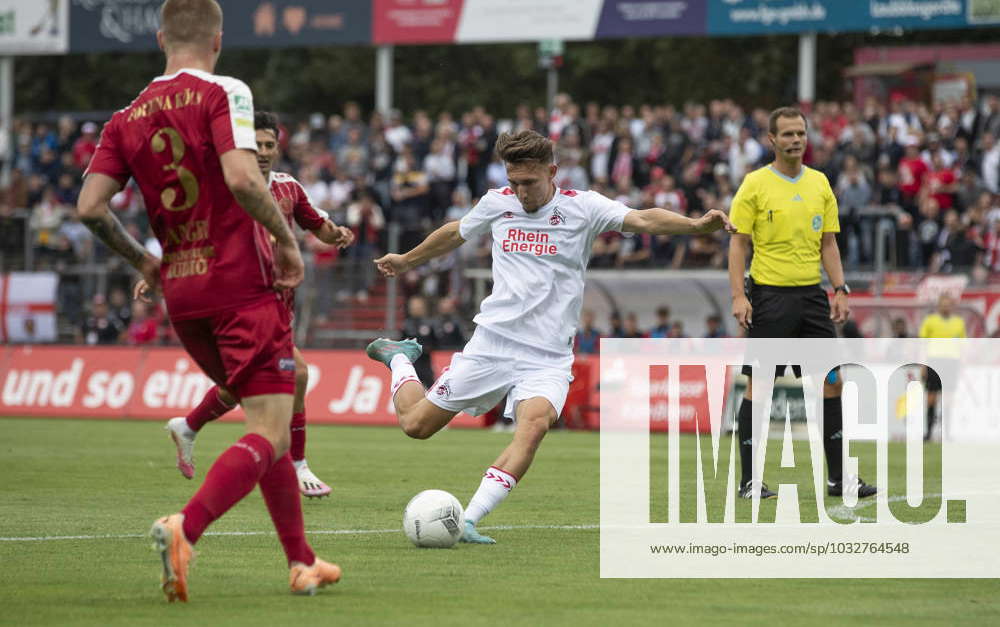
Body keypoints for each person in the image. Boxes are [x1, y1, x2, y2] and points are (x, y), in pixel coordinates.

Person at [78, 0, 340, 601]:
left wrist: (145, 260)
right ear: (218, 40)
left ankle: (301, 561)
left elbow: (90, 208)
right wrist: (286, 243)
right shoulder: (224, 91)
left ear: (161, 36)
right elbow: (246, 179)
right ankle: (184, 528)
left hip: (182, 292)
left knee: (263, 420)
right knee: (271, 430)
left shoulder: (125, 116)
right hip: (242, 285)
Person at [365, 129, 734, 543]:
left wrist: (696, 226)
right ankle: (398, 358)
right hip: (492, 344)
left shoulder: (585, 208)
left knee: (535, 425)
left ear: (552, 172)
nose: (520, 192)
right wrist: (407, 259)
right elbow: (455, 232)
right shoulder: (497, 203)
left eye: (529, 182)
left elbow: (644, 218)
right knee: (417, 426)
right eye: (514, 182)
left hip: (547, 357)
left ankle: (467, 520)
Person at [146, 110, 354, 498]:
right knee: (298, 375)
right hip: (239, 304)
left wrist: (337, 233)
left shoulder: (289, 189)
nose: (262, 151)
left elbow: (317, 225)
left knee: (242, 386)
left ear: (278, 148)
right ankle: (296, 465)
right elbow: (188, 235)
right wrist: (157, 269)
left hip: (278, 305)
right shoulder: (225, 186)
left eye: (269, 145)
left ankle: (188, 426)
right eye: (255, 144)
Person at [728, 106, 877, 501]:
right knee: (760, 387)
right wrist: (739, 295)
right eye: (788, 133)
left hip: (812, 297)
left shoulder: (820, 183)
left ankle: (838, 478)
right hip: (770, 298)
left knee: (832, 383)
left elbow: (829, 242)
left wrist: (840, 289)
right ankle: (749, 481)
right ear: (772, 140)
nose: (796, 139)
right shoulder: (755, 184)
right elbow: (738, 243)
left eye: (801, 133)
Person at [918, 293, 966, 442]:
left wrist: (962, 365)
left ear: (951, 306)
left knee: (949, 400)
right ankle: (928, 433)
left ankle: (947, 433)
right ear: (939, 305)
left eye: (948, 304)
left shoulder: (959, 322)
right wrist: (922, 364)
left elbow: (962, 346)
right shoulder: (930, 321)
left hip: (952, 363)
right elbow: (922, 345)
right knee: (931, 399)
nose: (945, 307)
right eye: (943, 304)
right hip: (934, 362)